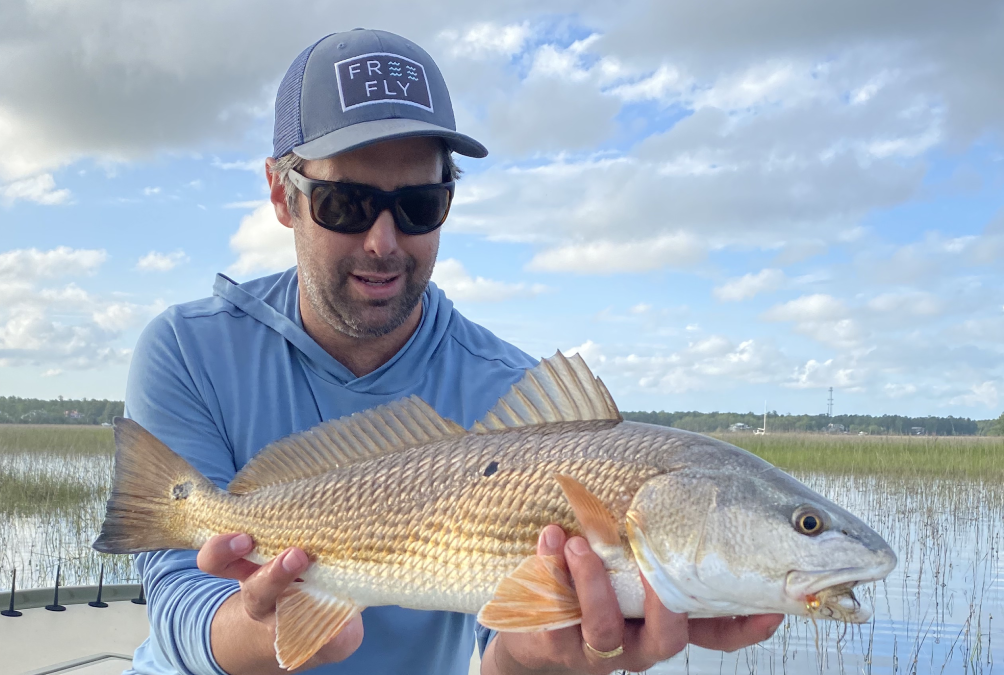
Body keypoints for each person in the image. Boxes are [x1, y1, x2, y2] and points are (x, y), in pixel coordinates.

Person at [122, 28, 783, 675]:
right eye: (345, 203)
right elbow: (178, 601)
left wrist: (536, 656)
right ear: (281, 194)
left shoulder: (524, 404)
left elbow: (501, 649)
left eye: (418, 204)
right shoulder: (184, 347)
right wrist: (274, 632)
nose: (383, 240)